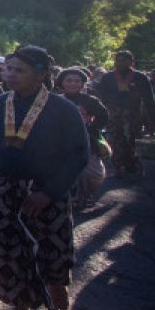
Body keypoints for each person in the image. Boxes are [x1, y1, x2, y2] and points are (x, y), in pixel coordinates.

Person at [0, 46, 89, 310]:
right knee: (8, 249)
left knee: (53, 244)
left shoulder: (63, 109)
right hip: (5, 189)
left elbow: (78, 155)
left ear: (42, 75)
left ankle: (56, 282)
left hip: (48, 190)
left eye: (19, 70)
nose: (10, 74)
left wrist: (49, 193)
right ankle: (20, 307)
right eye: (8, 68)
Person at [95, 51, 155, 178]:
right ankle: (117, 166)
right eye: (118, 60)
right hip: (113, 115)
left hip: (133, 115)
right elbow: (100, 96)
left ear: (131, 62)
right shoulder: (108, 77)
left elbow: (149, 99)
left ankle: (132, 164)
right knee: (116, 140)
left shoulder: (140, 77)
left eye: (124, 60)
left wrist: (153, 120)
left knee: (131, 140)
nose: (120, 63)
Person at [56, 67, 108, 207]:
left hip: (87, 139)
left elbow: (103, 115)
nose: (73, 83)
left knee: (94, 173)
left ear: (82, 83)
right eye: (69, 80)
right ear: (61, 83)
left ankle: (87, 193)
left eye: (77, 81)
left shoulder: (90, 100)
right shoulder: (55, 101)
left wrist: (92, 128)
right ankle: (71, 198)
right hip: (60, 141)